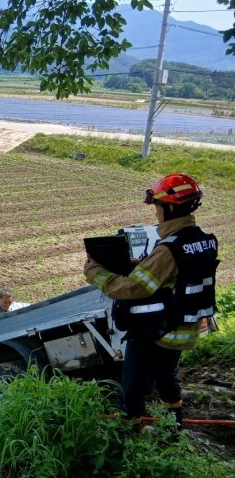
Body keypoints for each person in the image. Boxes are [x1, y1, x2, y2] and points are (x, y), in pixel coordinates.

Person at [84, 173, 219, 428]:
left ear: (170, 208)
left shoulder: (169, 249)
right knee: (167, 379)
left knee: (132, 388)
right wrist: (143, 263)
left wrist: (94, 271)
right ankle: (174, 429)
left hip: (157, 330)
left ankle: (131, 435)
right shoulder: (203, 240)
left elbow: (133, 288)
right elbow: (177, 273)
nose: (155, 211)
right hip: (182, 329)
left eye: (157, 205)